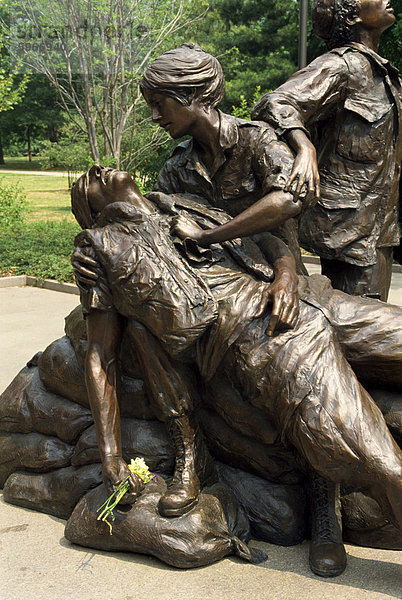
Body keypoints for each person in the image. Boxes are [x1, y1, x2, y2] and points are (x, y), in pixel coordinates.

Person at [73, 164, 402, 581]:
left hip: (310, 298)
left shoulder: (183, 204)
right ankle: (326, 512)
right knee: (380, 462)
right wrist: (110, 455)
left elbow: (269, 242)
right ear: (89, 210)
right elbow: (101, 357)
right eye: (88, 179)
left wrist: (284, 279)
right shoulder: (98, 247)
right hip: (270, 335)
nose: (99, 168)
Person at [252, 0, 402, 302]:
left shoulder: (385, 75)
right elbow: (275, 103)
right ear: (353, 16)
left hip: (381, 227)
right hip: (352, 233)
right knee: (361, 335)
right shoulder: (341, 65)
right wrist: (304, 146)